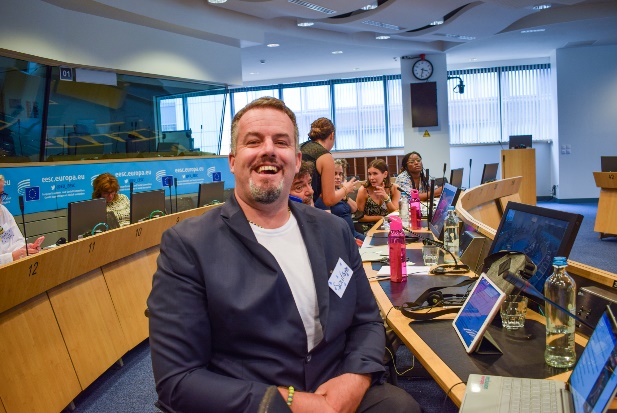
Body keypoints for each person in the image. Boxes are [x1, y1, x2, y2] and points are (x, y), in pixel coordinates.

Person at [148, 97, 420, 413]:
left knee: (402, 408)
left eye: (281, 142)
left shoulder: (333, 231)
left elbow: (367, 320)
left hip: (335, 385)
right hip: (254, 400)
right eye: (253, 142)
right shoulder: (188, 245)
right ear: (233, 161)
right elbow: (177, 380)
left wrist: (356, 379)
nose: (269, 150)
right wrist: (289, 402)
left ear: (296, 159)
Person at [300, 117, 357, 206]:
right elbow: (329, 200)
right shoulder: (325, 157)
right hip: (303, 206)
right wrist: (346, 189)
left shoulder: (300, 147)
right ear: (332, 135)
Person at [0, 174, 43, 265]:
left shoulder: (3, 211)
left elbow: (16, 240)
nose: (0, 200)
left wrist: (24, 249)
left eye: (1, 194)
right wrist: (11, 257)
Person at [326, 158, 365, 242]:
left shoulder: (340, 191)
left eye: (340, 174)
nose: (338, 177)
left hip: (353, 233)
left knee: (371, 243)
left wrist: (345, 196)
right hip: (341, 237)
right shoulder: (326, 195)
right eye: (334, 174)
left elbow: (355, 209)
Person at [356, 159, 400, 228]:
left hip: (390, 226)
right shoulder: (364, 190)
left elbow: (395, 213)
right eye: (369, 174)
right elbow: (359, 217)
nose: (371, 178)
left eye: (375, 174)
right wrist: (382, 218)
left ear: (385, 174)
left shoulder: (394, 188)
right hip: (369, 228)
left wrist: (386, 198)